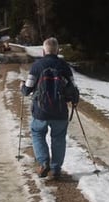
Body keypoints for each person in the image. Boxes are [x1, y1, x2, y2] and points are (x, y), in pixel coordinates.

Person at [21, 37, 79, 179]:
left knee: (37, 133)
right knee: (58, 138)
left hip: (41, 111)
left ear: (43, 51)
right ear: (58, 50)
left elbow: (27, 89)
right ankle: (56, 169)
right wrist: (74, 101)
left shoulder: (37, 66)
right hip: (60, 111)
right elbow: (73, 88)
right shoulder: (64, 66)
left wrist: (22, 87)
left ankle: (44, 162)